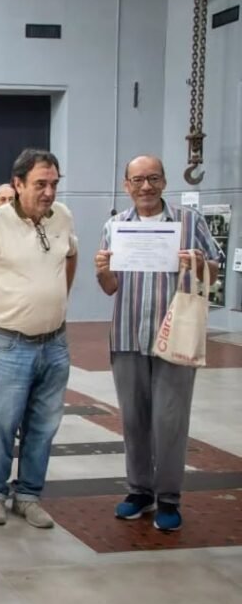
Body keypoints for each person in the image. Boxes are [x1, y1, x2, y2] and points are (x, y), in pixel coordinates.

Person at [95, 155, 220, 532]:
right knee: (133, 421)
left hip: (174, 339)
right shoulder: (115, 226)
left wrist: (198, 261)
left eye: (152, 178)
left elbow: (214, 269)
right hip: (128, 335)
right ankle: (139, 491)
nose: (145, 186)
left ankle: (168, 497)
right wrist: (102, 271)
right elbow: (110, 287)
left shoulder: (188, 222)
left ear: (164, 181)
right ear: (126, 184)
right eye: (138, 180)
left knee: (169, 421)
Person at [0, 148, 78, 529]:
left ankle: (28, 496)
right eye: (40, 185)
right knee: (2, 422)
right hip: (8, 342)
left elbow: (71, 256)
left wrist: (57, 297)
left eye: (53, 184)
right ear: (17, 185)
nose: (48, 193)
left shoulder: (62, 216)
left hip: (56, 343)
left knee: (44, 424)